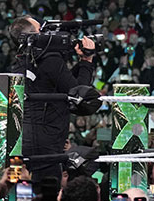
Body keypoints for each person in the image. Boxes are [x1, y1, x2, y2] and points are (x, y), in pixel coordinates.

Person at [8, 17, 96, 184]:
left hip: (20, 141)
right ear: (35, 36)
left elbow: (60, 82)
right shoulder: (50, 60)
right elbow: (80, 98)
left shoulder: (19, 61)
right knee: (47, 195)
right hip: (47, 144)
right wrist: (86, 61)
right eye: (42, 30)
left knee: (19, 192)